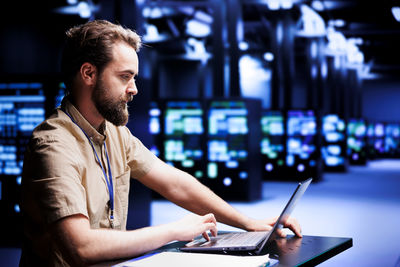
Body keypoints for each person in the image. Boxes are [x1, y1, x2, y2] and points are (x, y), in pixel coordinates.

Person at [20, 19, 301, 267]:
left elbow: (174, 183)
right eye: (124, 77)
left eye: (134, 77)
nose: (134, 89)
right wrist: (175, 231)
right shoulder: (54, 145)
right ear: (89, 74)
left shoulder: (115, 134)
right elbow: (82, 248)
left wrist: (247, 223)